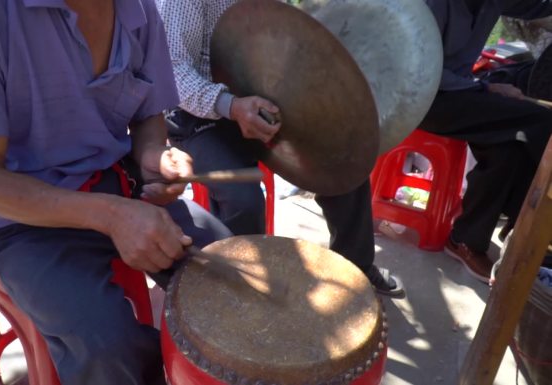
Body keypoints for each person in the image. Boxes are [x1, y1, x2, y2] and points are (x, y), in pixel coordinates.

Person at [0, 0, 232, 384]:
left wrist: (153, 154)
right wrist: (111, 216)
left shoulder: (137, 8)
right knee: (107, 349)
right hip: (21, 221)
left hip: (120, 183)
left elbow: (147, 114)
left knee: (234, 283)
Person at [156, 0, 405, 298]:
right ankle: (236, 292)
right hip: (194, 112)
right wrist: (231, 106)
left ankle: (357, 266)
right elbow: (171, 70)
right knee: (243, 197)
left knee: (341, 156)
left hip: (258, 91)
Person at [422, 0, 552, 283]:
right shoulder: (430, 4)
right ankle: (528, 231)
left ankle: (467, 239)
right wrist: (486, 87)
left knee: (510, 145)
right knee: (542, 122)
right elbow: (422, 68)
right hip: (425, 97)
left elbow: (536, 7)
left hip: (464, 91)